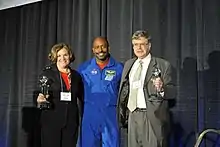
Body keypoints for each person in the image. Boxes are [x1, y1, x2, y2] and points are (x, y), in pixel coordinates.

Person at [117, 30, 176, 147]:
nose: (138, 48)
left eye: (142, 44)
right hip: (132, 115)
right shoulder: (129, 64)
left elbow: (173, 92)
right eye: (135, 44)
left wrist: (162, 88)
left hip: (151, 117)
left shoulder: (162, 65)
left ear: (149, 45)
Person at [77, 37, 123, 147]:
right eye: (97, 47)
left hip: (111, 116)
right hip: (90, 115)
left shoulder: (119, 68)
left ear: (108, 48)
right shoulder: (84, 69)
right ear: (93, 50)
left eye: (103, 46)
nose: (100, 50)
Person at [36, 43, 84, 147]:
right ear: (54, 57)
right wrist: (41, 99)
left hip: (71, 122)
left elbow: (81, 97)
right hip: (52, 121)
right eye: (59, 55)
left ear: (70, 56)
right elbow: (40, 93)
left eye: (65, 55)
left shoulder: (76, 76)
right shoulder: (47, 73)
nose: (62, 58)